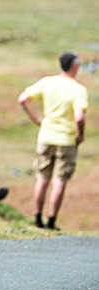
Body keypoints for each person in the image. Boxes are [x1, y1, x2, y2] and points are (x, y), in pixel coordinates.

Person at [18, 51, 88, 230]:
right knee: (59, 181)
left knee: (42, 178)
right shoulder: (78, 89)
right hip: (66, 140)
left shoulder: (47, 82)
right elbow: (79, 118)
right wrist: (80, 134)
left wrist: (36, 120)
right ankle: (51, 221)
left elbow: (23, 99)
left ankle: (37, 218)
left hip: (46, 136)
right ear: (74, 66)